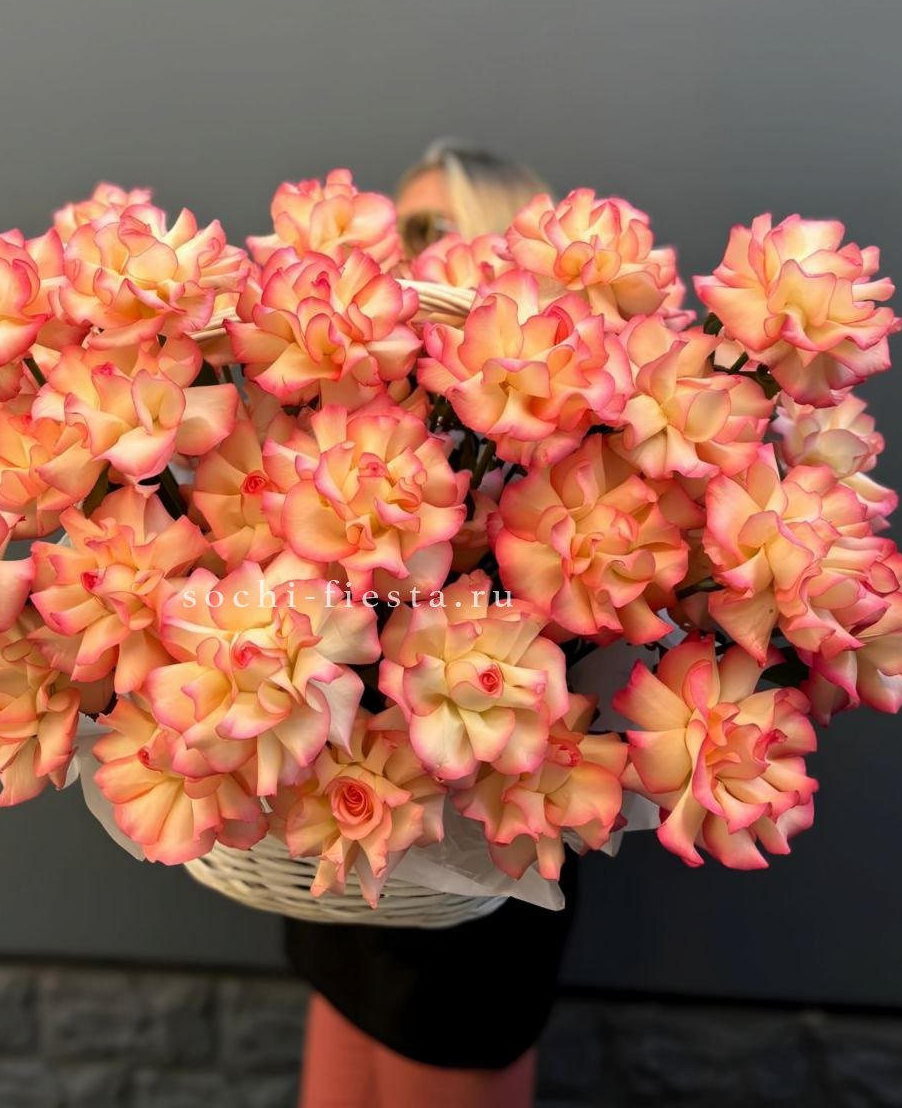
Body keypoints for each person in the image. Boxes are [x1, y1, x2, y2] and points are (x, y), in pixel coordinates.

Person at [287, 141, 575, 1108]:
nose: (395, 248)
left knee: (445, 1057)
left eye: (425, 226)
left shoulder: (566, 420)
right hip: (353, 853)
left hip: (476, 854)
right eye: (394, 224)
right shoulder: (359, 402)